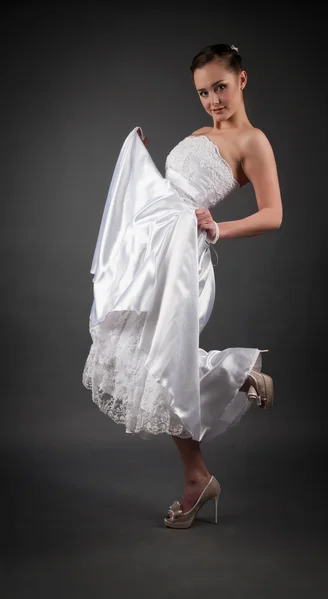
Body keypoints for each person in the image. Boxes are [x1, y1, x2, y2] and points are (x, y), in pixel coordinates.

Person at [82, 43, 283, 528]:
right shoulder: (199, 133)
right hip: (154, 246)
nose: (213, 100)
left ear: (242, 80)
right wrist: (141, 166)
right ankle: (199, 473)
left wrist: (219, 228)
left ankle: (233, 380)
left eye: (221, 87)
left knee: (162, 355)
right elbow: (172, 193)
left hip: (180, 252)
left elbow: (273, 215)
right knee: (150, 358)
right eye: (203, 92)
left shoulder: (253, 142)